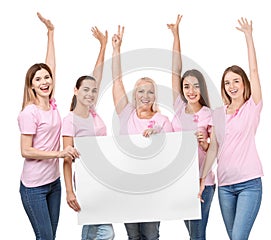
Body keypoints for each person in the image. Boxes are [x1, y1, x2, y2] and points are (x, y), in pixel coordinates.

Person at [199, 17, 263, 240]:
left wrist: (248, 36)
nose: (232, 86)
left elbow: (254, 71)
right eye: (227, 82)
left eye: (236, 81)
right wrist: (202, 179)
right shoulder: (218, 113)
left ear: (244, 83)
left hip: (249, 184)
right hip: (225, 186)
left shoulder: (251, 107)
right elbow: (214, 149)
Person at [17, 12, 79, 240]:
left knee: (50, 236)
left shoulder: (52, 104)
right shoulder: (29, 112)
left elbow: (50, 65)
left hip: (54, 184)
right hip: (34, 188)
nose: (44, 82)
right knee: (46, 238)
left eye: (47, 78)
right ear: (31, 86)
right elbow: (25, 150)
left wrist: (51, 33)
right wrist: (60, 153)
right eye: (38, 80)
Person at [112, 25, 173, 240]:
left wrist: (160, 136)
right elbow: (117, 81)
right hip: (129, 185)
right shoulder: (126, 114)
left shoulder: (163, 120)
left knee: (150, 235)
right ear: (134, 94)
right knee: (132, 237)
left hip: (153, 188)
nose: (145, 95)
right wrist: (117, 50)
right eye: (140, 91)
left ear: (155, 96)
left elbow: (173, 152)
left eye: (150, 92)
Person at [61, 26, 115, 240]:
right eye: (85, 90)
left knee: (93, 227)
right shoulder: (69, 120)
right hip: (85, 178)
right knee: (105, 231)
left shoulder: (93, 113)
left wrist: (103, 46)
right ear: (76, 91)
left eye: (93, 91)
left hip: (103, 175)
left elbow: (97, 76)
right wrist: (69, 191)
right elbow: (66, 158)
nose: (90, 93)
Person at [167, 15, 215, 240]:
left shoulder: (209, 114)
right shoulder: (179, 107)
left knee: (197, 234)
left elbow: (213, 149)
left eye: (195, 86)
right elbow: (175, 71)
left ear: (201, 88)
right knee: (194, 234)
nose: (190, 90)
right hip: (181, 183)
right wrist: (176, 36)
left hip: (203, 182)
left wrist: (203, 142)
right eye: (186, 86)